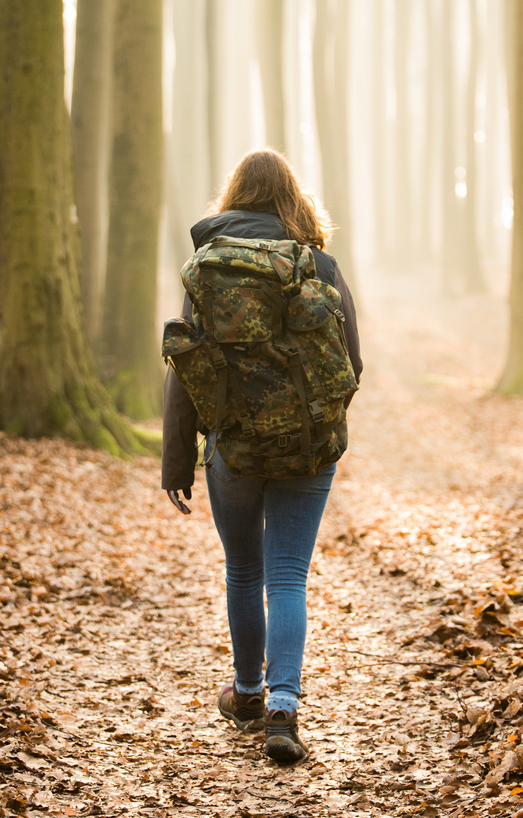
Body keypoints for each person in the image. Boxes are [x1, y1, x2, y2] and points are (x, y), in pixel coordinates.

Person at [162, 148, 363, 766]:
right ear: (291, 200)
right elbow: (352, 363)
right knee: (287, 577)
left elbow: (185, 371)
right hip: (307, 450)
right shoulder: (317, 265)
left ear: (233, 197)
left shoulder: (206, 268)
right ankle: (283, 706)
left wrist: (176, 462)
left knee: (245, 571)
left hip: (234, 451)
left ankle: (247, 692)